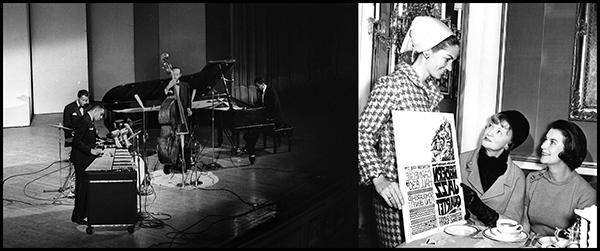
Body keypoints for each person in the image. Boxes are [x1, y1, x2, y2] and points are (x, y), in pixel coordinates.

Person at [358, 16, 460, 247]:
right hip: (397, 199)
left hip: (425, 197)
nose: (450, 67)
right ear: (426, 52)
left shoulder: (431, 93)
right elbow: (362, 135)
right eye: (447, 59)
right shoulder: (391, 85)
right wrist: (379, 178)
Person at [522, 120, 596, 236]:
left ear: (568, 149)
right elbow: (524, 222)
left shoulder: (586, 194)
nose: (542, 146)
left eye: (552, 142)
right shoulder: (532, 180)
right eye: (545, 140)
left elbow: (580, 237)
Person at [459, 110, 530, 227]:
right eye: (491, 125)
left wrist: (479, 209)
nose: (489, 132)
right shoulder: (461, 160)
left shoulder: (517, 176)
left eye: (499, 131)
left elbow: (512, 224)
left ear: (509, 144)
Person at [70, 102, 105, 225]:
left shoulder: (89, 121)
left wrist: (97, 145)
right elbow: (76, 141)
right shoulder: (84, 121)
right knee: (82, 188)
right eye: (101, 115)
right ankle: (78, 217)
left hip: (85, 159)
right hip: (81, 160)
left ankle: (84, 213)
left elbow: (87, 139)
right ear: (96, 110)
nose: (101, 118)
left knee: (85, 188)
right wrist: (91, 150)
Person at [239, 77, 288, 164]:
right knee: (253, 124)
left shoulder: (270, 91)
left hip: (274, 118)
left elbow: (271, 108)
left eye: (257, 86)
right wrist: (250, 107)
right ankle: (249, 145)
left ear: (262, 84)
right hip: (267, 115)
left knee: (255, 127)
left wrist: (259, 112)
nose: (257, 88)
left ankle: (250, 147)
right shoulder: (262, 92)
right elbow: (259, 103)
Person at [162, 66, 193, 174]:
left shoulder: (185, 85)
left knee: (185, 140)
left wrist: (189, 108)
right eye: (173, 74)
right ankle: (169, 162)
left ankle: (185, 162)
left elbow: (188, 99)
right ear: (171, 74)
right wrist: (167, 87)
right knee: (171, 141)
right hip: (172, 117)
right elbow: (162, 96)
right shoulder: (168, 85)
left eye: (177, 74)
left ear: (180, 75)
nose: (175, 76)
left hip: (183, 116)